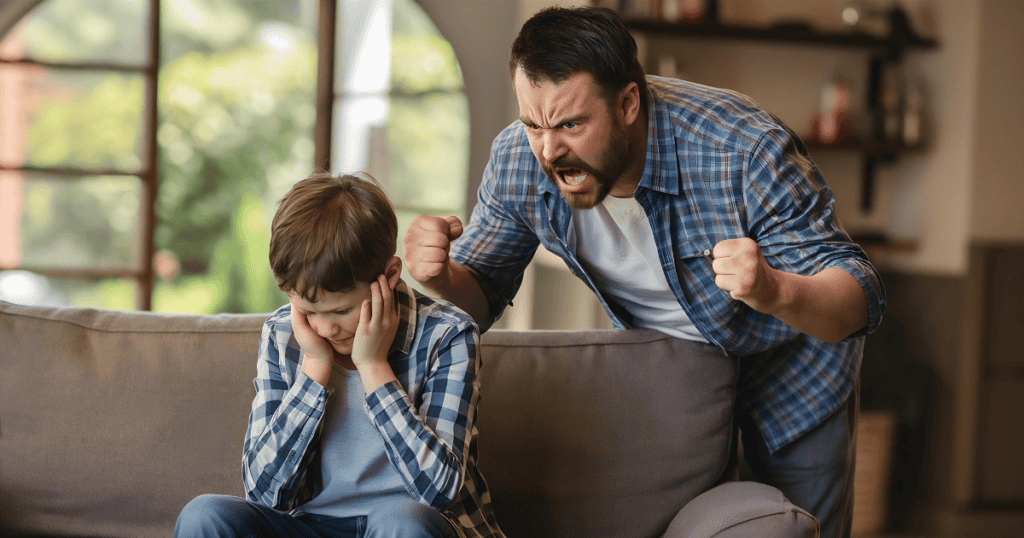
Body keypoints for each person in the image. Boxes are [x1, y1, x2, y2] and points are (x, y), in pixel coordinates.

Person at [402, 7, 886, 538]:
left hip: (791, 366)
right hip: (670, 370)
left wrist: (773, 289)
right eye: (532, 124)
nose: (548, 149)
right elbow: (480, 296)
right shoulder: (520, 159)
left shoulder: (743, 149)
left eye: (570, 124)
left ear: (629, 102)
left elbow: (858, 298)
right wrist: (443, 279)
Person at [176, 172, 505, 538]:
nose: (324, 329)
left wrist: (374, 366)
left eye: (340, 311)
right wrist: (314, 369)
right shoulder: (283, 334)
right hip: (312, 527)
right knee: (204, 516)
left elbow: (438, 491)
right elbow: (264, 491)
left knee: (404, 523)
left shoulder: (448, 335)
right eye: (308, 310)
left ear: (391, 275)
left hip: (406, 527)